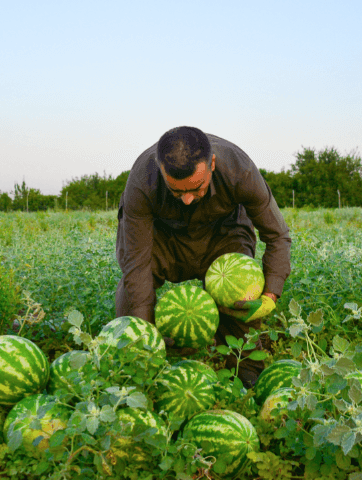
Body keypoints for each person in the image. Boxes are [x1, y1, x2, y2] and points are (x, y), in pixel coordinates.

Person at [114, 126, 291, 387]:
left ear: (212, 165)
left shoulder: (238, 169)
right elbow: (136, 261)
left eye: (197, 188)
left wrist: (270, 295)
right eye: (176, 191)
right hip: (165, 238)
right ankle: (135, 378)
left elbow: (277, 235)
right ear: (161, 170)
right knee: (132, 300)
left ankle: (247, 373)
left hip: (223, 232)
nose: (187, 200)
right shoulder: (142, 180)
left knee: (238, 291)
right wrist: (145, 326)